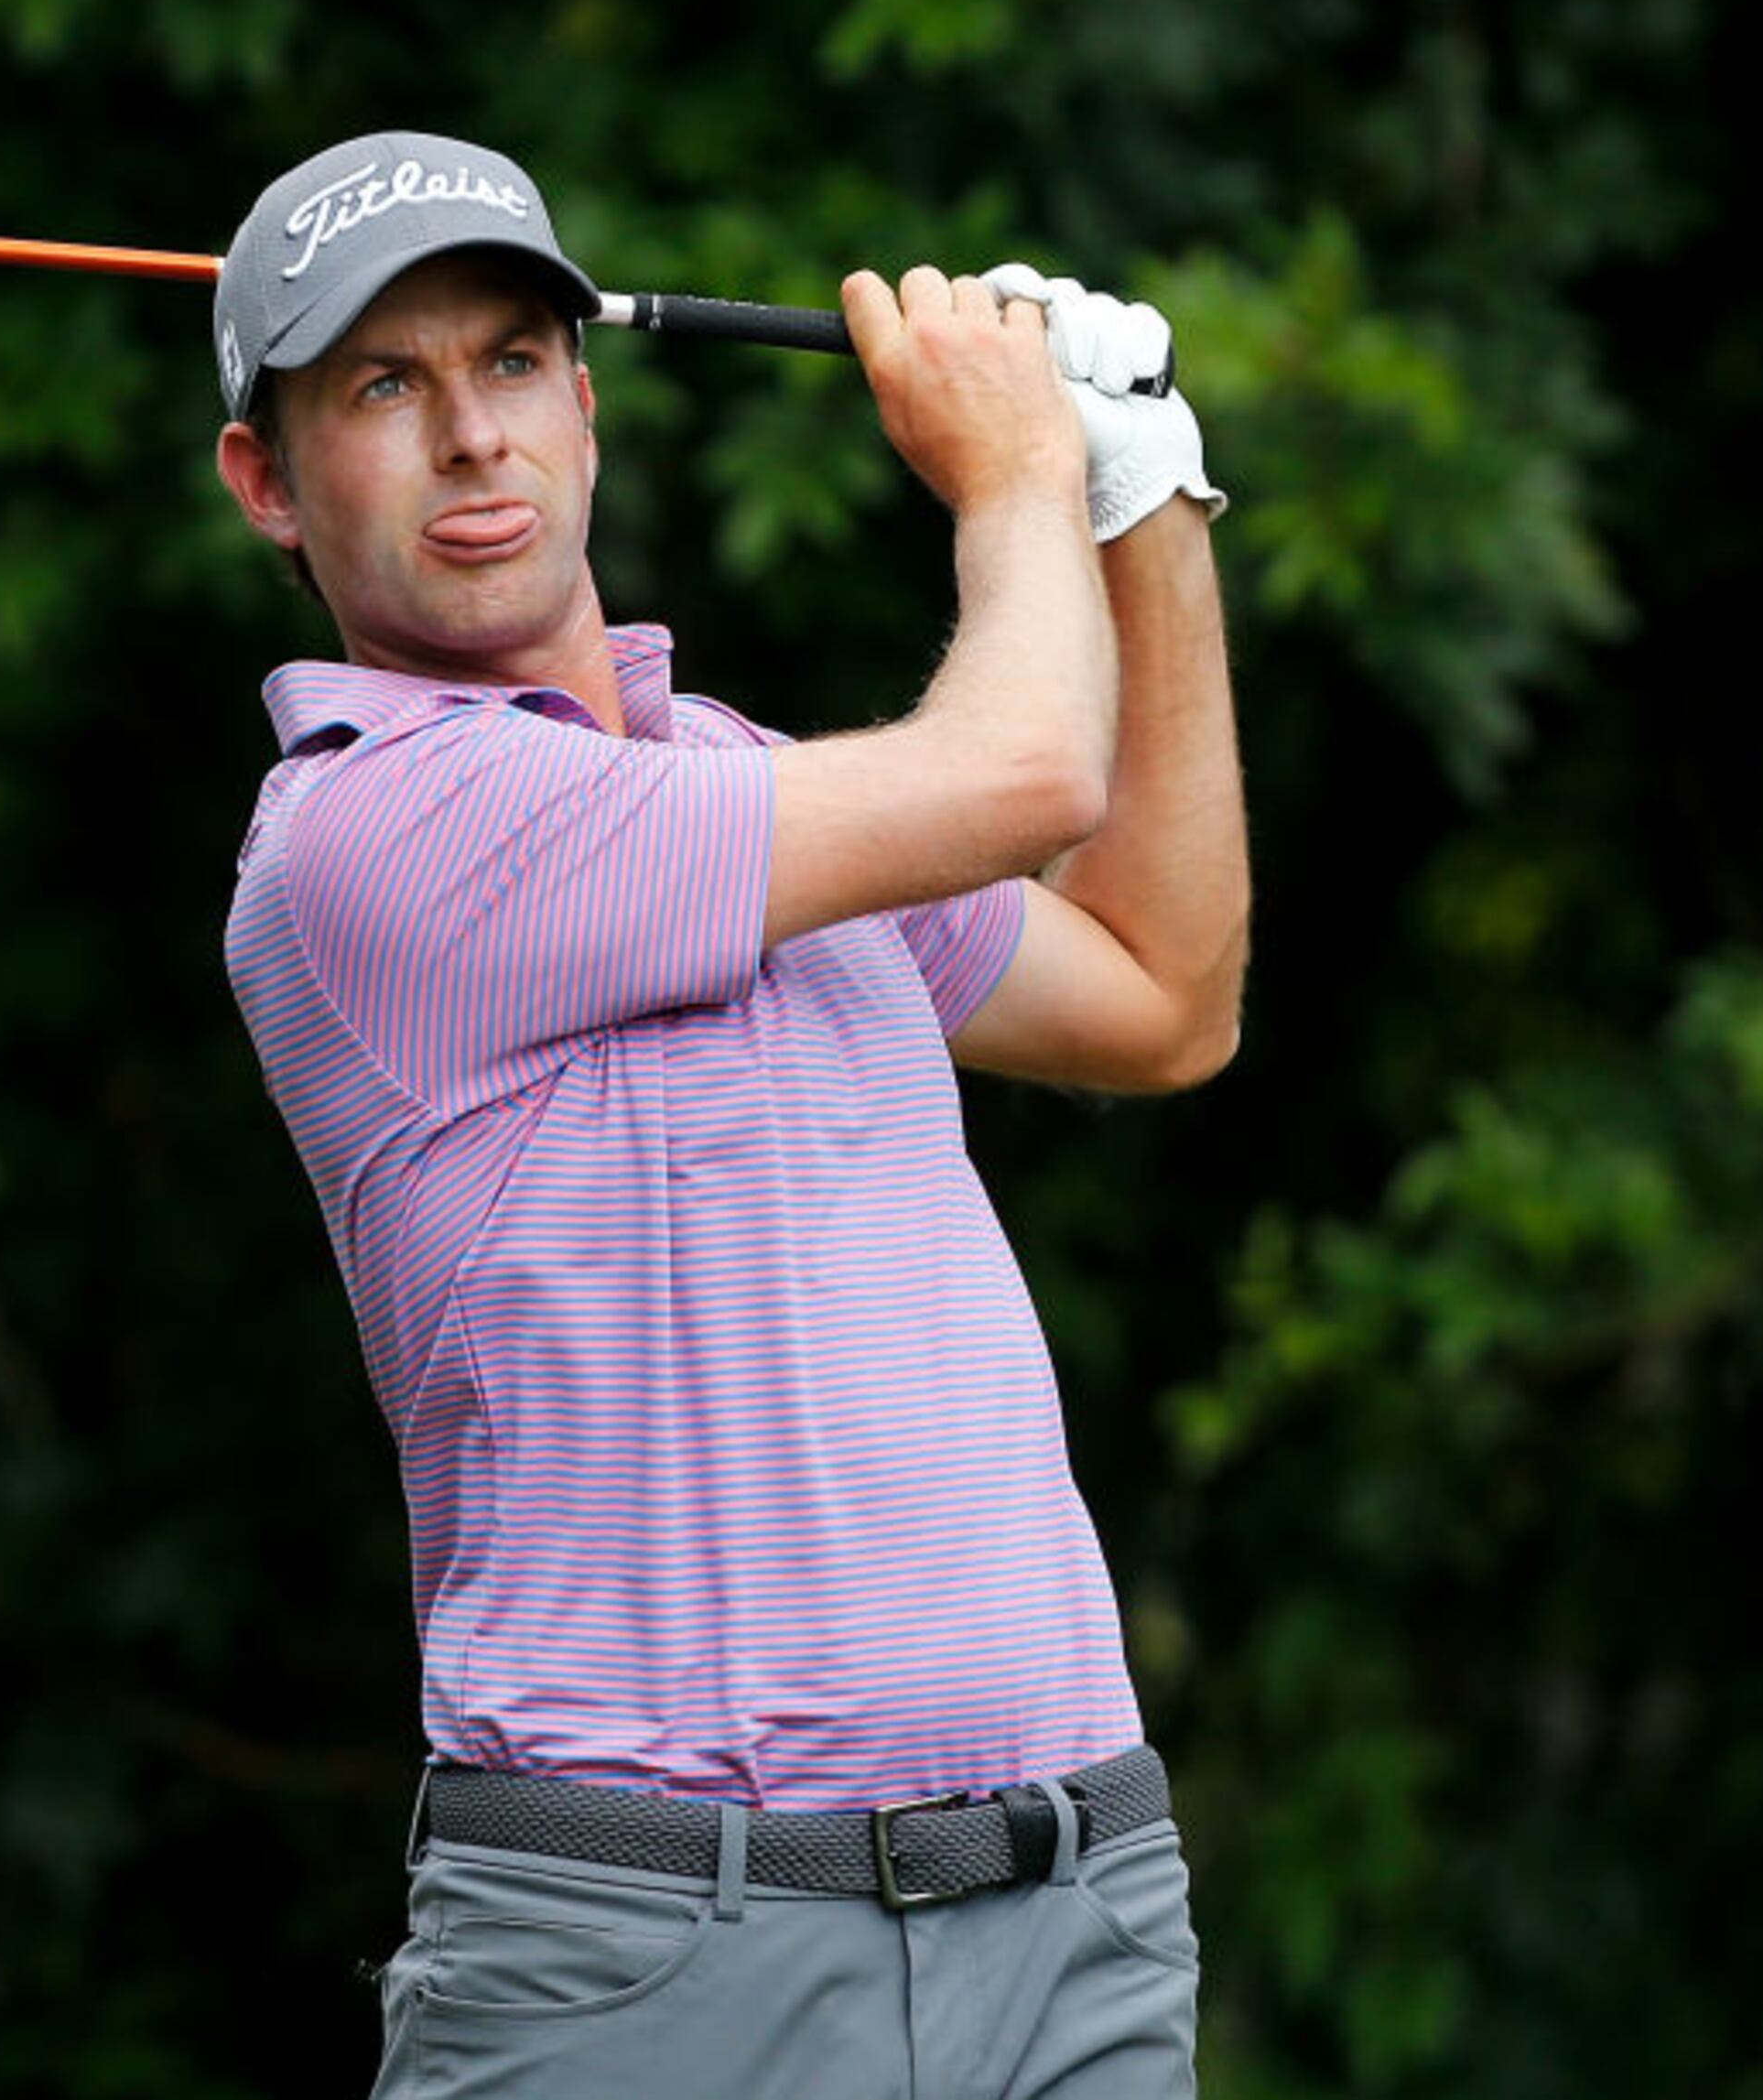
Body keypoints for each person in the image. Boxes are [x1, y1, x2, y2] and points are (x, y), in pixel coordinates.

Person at [211, 130, 1247, 2099]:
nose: (470, 440)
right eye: (381, 387)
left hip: (1075, 1917)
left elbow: (1162, 993)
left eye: (510, 363)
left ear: (585, 408)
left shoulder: (745, 788)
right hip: (651, 1967)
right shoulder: (370, 835)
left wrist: (1146, 498)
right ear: (268, 481)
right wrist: (1020, 470)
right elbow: (1028, 765)